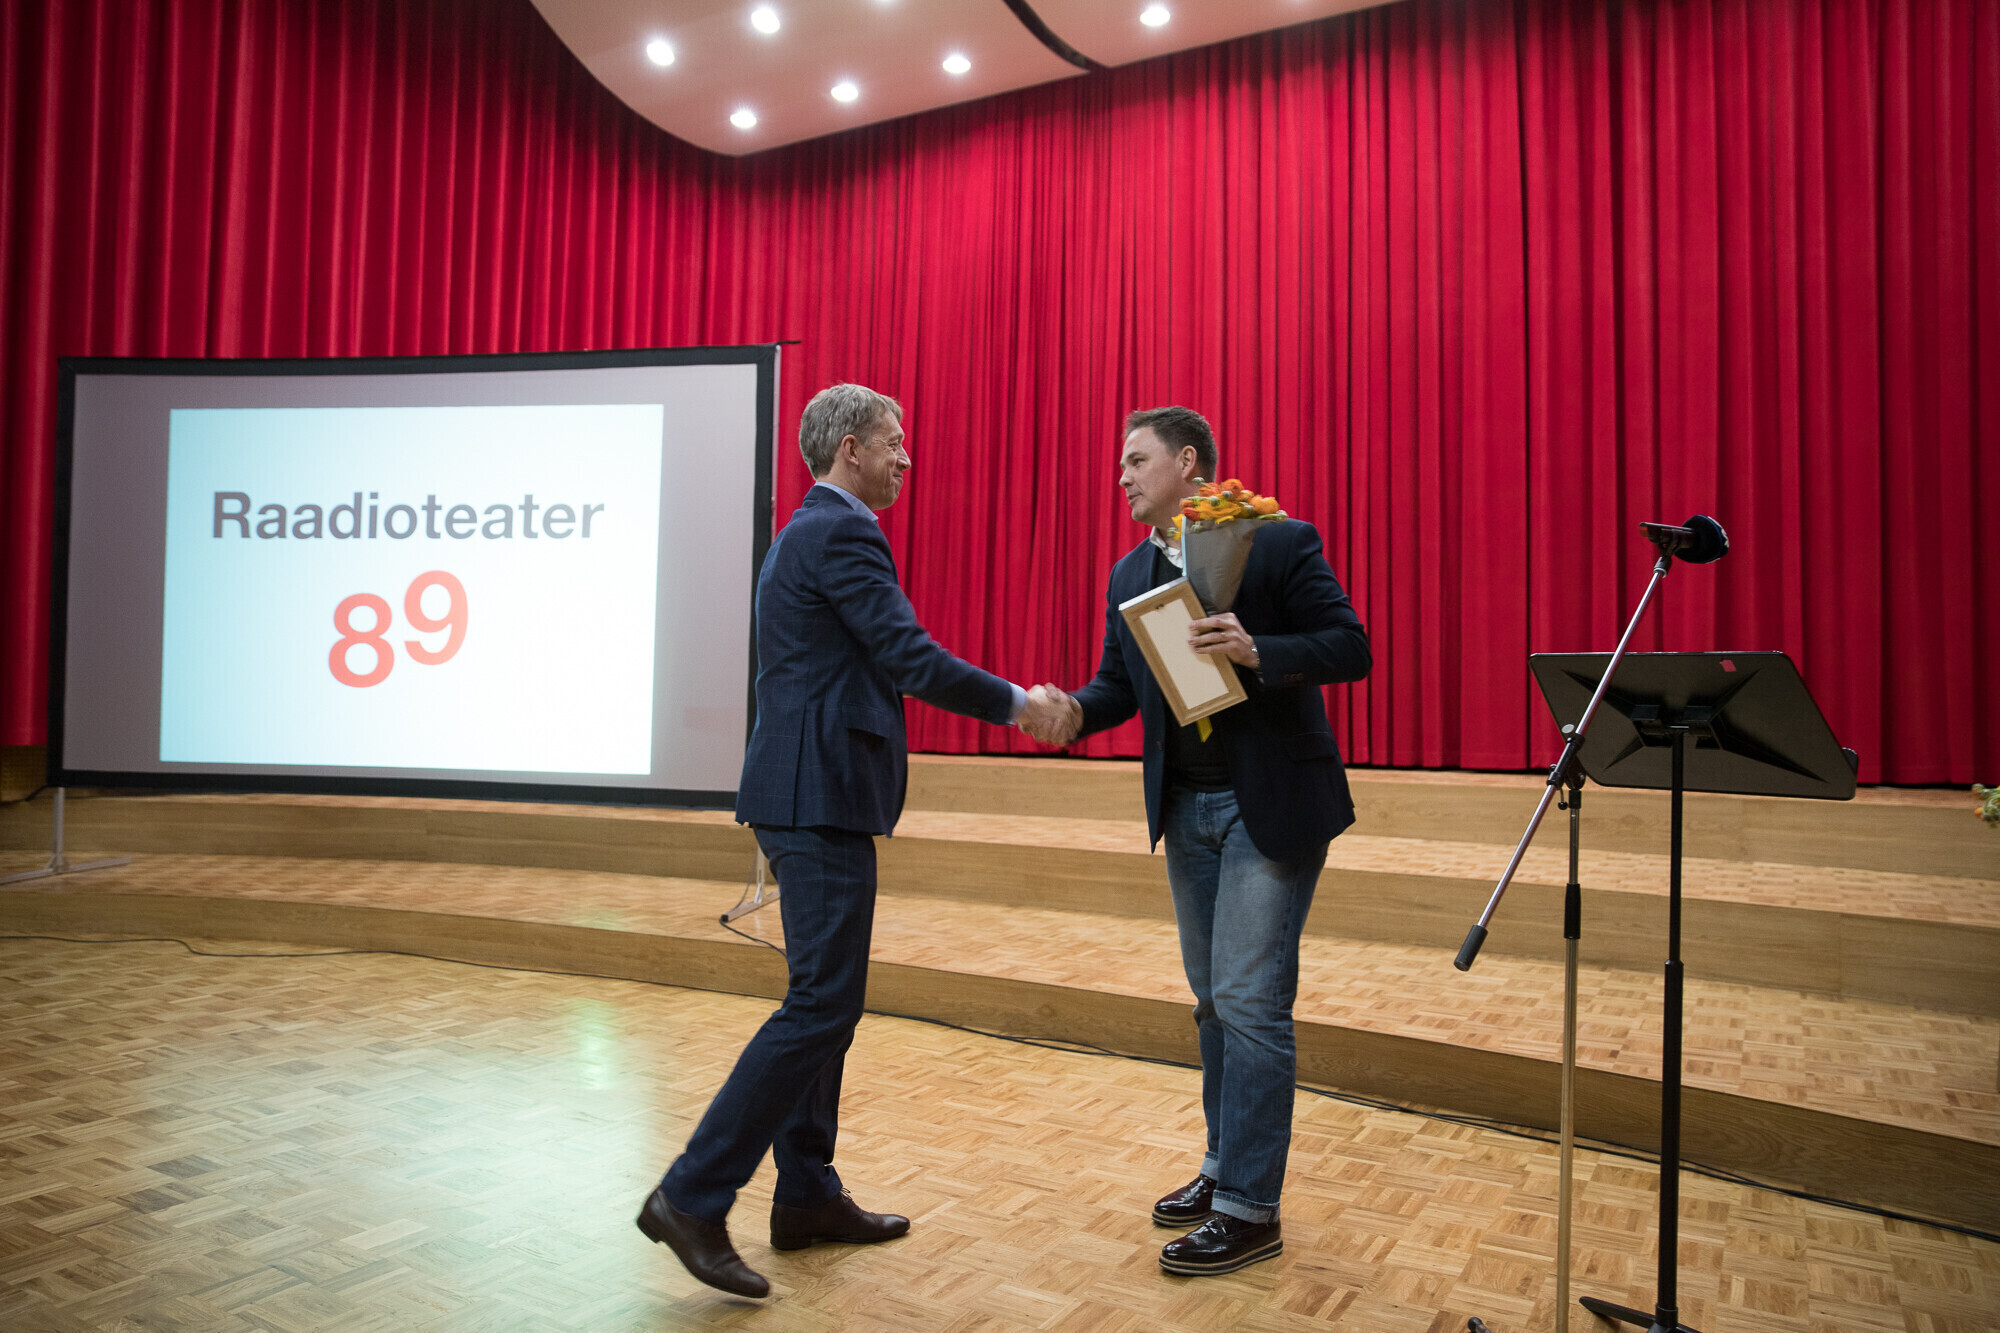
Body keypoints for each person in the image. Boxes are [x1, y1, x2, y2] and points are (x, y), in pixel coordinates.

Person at [637, 383, 1071, 1297]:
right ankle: (692, 1194)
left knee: (821, 1001)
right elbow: (908, 656)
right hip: (818, 794)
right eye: (893, 440)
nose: (907, 457)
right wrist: (1019, 704)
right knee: (822, 1006)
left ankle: (805, 1195)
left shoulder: (815, 530)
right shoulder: (840, 531)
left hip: (811, 791)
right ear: (849, 450)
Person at [1027, 406, 1371, 1276]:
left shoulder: (1277, 541)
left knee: (1250, 1001)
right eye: (1120, 464)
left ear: (1188, 463)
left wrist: (1259, 649)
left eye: (1136, 460)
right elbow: (1118, 685)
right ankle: (1224, 1167)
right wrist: (1073, 711)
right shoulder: (1129, 573)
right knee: (1214, 1002)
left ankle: (1251, 1209)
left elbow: (1350, 646)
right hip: (1186, 809)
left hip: (1270, 806)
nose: (1122, 476)